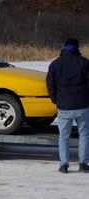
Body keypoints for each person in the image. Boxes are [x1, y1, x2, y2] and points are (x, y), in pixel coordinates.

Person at [46, 38, 89, 173]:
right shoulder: (85, 63)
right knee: (84, 134)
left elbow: (50, 83)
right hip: (82, 105)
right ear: (77, 48)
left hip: (64, 105)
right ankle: (83, 163)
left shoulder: (55, 64)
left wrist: (55, 99)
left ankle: (64, 165)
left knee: (64, 137)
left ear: (64, 48)